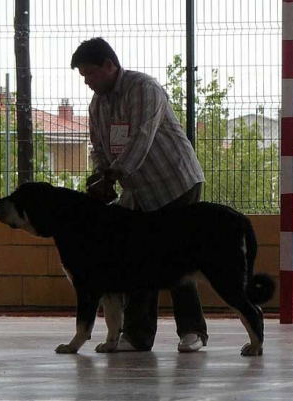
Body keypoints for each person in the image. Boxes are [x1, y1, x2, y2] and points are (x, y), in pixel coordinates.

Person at [70, 37, 208, 353]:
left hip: (175, 183)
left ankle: (193, 331)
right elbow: (99, 149)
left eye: (90, 74)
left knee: (176, 257)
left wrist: (112, 176)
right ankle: (137, 335)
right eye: (83, 77)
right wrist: (100, 178)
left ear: (109, 65)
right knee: (134, 260)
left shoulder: (144, 89)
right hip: (138, 193)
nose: (88, 82)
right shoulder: (97, 106)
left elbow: (141, 137)